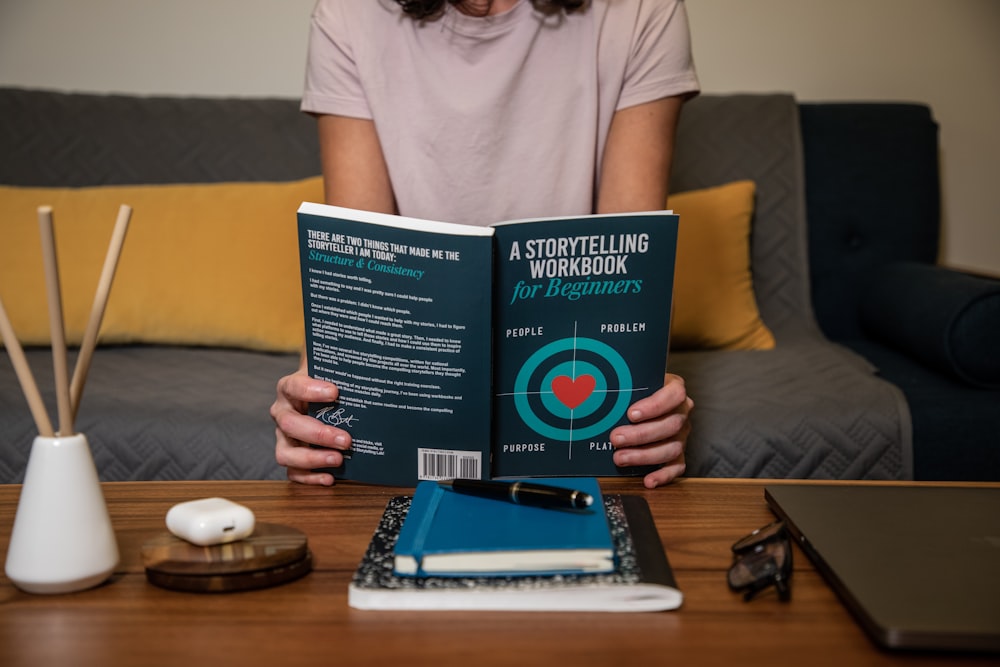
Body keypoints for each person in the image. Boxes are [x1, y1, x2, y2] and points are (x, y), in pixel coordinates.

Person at [272, 0, 700, 488]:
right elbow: (365, 271)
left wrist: (648, 406)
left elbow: (626, 268)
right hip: (418, 385)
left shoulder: (643, 8)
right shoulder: (348, 13)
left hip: (569, 384)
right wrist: (318, 401)